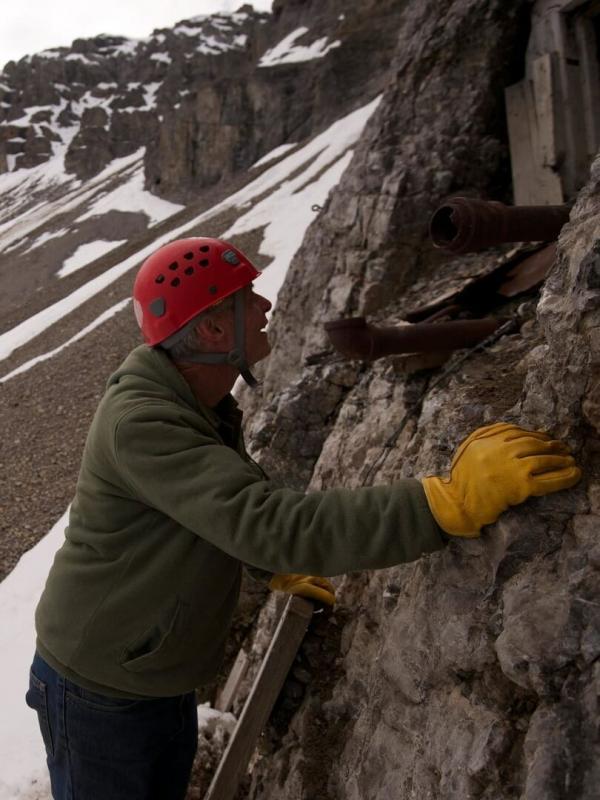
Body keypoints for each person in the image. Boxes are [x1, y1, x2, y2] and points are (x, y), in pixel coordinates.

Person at [26, 237, 581, 800]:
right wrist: (443, 504)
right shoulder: (144, 423)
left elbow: (222, 505)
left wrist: (269, 568)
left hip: (144, 672)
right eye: (247, 298)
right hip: (97, 689)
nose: (265, 307)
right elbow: (270, 523)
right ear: (214, 330)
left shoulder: (192, 398)